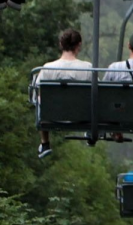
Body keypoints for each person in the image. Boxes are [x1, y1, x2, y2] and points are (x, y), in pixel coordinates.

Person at [36, 28, 92, 159]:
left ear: (61, 45)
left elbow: (38, 92)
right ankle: (90, 131)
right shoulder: (88, 68)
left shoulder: (47, 68)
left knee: (40, 99)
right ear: (79, 45)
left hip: (52, 115)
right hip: (80, 115)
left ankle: (45, 142)